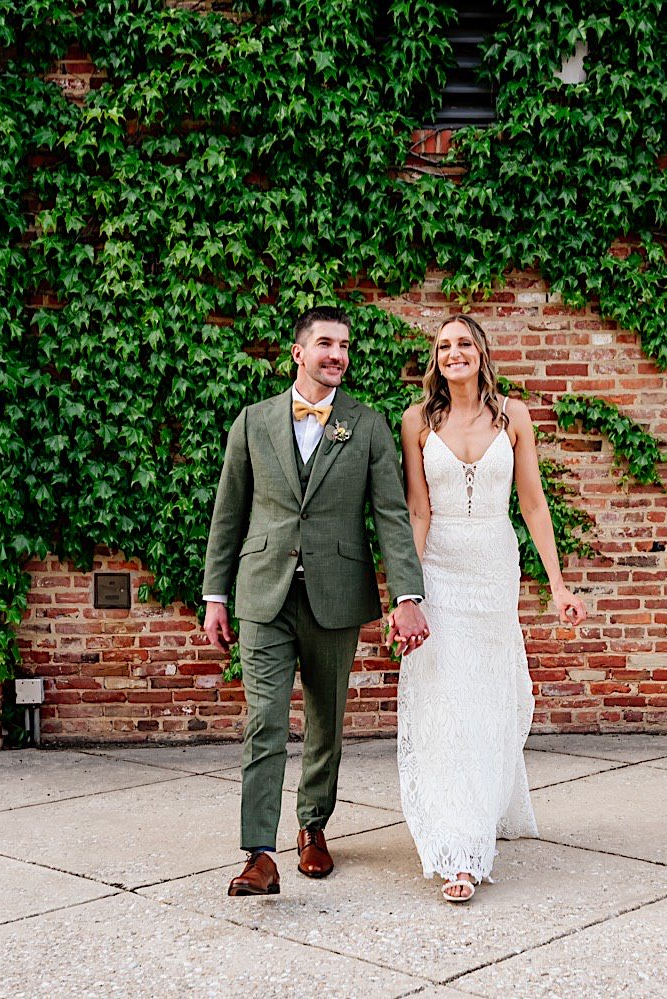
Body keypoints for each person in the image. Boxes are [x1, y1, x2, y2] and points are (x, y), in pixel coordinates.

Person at [202, 305, 429, 897]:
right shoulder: (252, 422)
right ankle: (257, 853)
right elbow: (228, 514)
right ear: (298, 352)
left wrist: (406, 594)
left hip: (336, 593)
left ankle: (312, 829)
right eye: (326, 344)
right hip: (262, 593)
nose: (338, 355)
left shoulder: (368, 425)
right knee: (264, 721)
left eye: (345, 346)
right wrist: (214, 595)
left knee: (326, 721)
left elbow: (391, 516)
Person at [396, 313, 587, 903]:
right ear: (437, 358)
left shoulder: (514, 417)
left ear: (481, 352)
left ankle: (480, 811)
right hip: (442, 572)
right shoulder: (416, 422)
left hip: (493, 568)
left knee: (486, 695)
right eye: (444, 345)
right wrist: (408, 593)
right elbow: (418, 511)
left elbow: (532, 505)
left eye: (464, 343)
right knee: (444, 698)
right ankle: (460, 848)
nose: (454, 353)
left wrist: (557, 585)